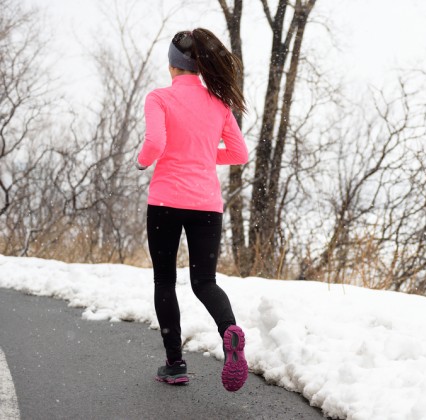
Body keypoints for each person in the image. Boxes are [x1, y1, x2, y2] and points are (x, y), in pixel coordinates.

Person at [136, 28, 248, 392]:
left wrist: (143, 161)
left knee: (164, 279)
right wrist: (203, 154)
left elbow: (155, 143)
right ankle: (229, 330)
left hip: (166, 202)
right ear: (198, 67)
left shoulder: (160, 98)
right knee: (204, 282)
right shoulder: (219, 103)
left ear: (172, 66)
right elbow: (239, 154)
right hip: (206, 207)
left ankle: (175, 364)